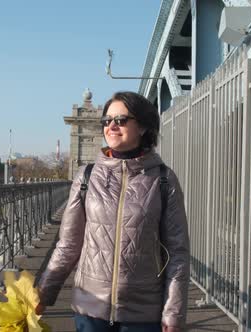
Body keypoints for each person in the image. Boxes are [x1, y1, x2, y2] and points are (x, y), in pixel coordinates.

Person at [36, 91, 189, 332]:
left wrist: (174, 311)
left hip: (142, 312)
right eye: (107, 121)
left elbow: (177, 252)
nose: (111, 126)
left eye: (121, 120)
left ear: (143, 127)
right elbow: (68, 244)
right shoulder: (87, 176)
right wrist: (44, 292)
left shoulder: (163, 179)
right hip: (90, 309)